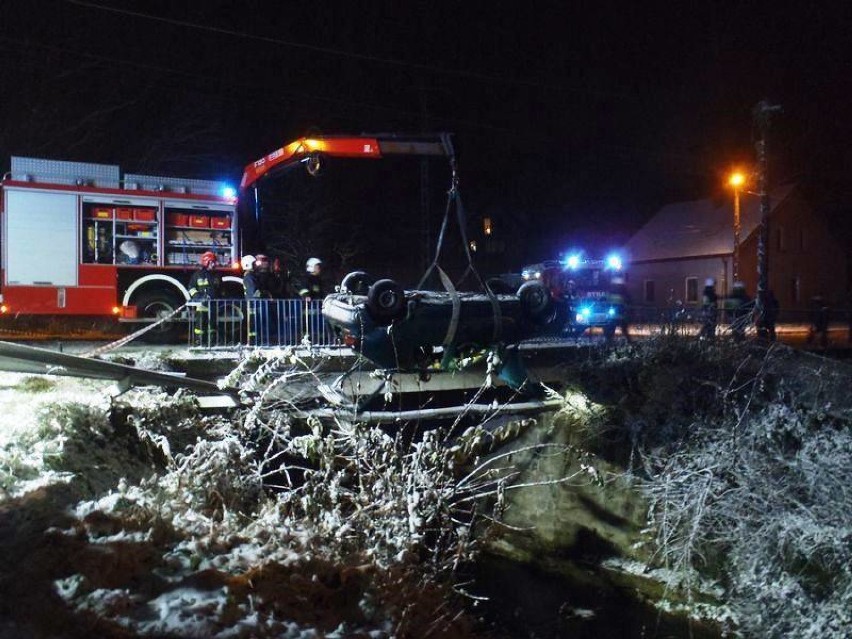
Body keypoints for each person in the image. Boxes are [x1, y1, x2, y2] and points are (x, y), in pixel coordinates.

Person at [188, 251, 221, 346]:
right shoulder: (197, 275)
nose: (215, 264)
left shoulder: (217, 275)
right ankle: (199, 342)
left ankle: (212, 343)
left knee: (212, 326)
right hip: (202, 306)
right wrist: (199, 297)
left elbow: (220, 289)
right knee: (200, 326)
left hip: (213, 306)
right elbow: (191, 288)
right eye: (213, 262)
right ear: (207, 262)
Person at [298, 257, 326, 343]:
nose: (319, 269)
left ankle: (321, 340)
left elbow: (321, 292)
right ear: (311, 267)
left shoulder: (319, 280)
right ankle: (306, 340)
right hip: (308, 308)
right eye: (317, 267)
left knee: (320, 326)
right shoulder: (306, 278)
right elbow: (302, 290)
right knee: (307, 326)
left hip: (319, 308)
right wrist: (306, 296)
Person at [606, 275, 631, 341]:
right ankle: (629, 341)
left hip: (616, 315)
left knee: (613, 329)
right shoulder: (624, 293)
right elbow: (628, 302)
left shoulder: (611, 293)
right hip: (619, 315)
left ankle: (609, 341)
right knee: (622, 329)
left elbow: (607, 301)